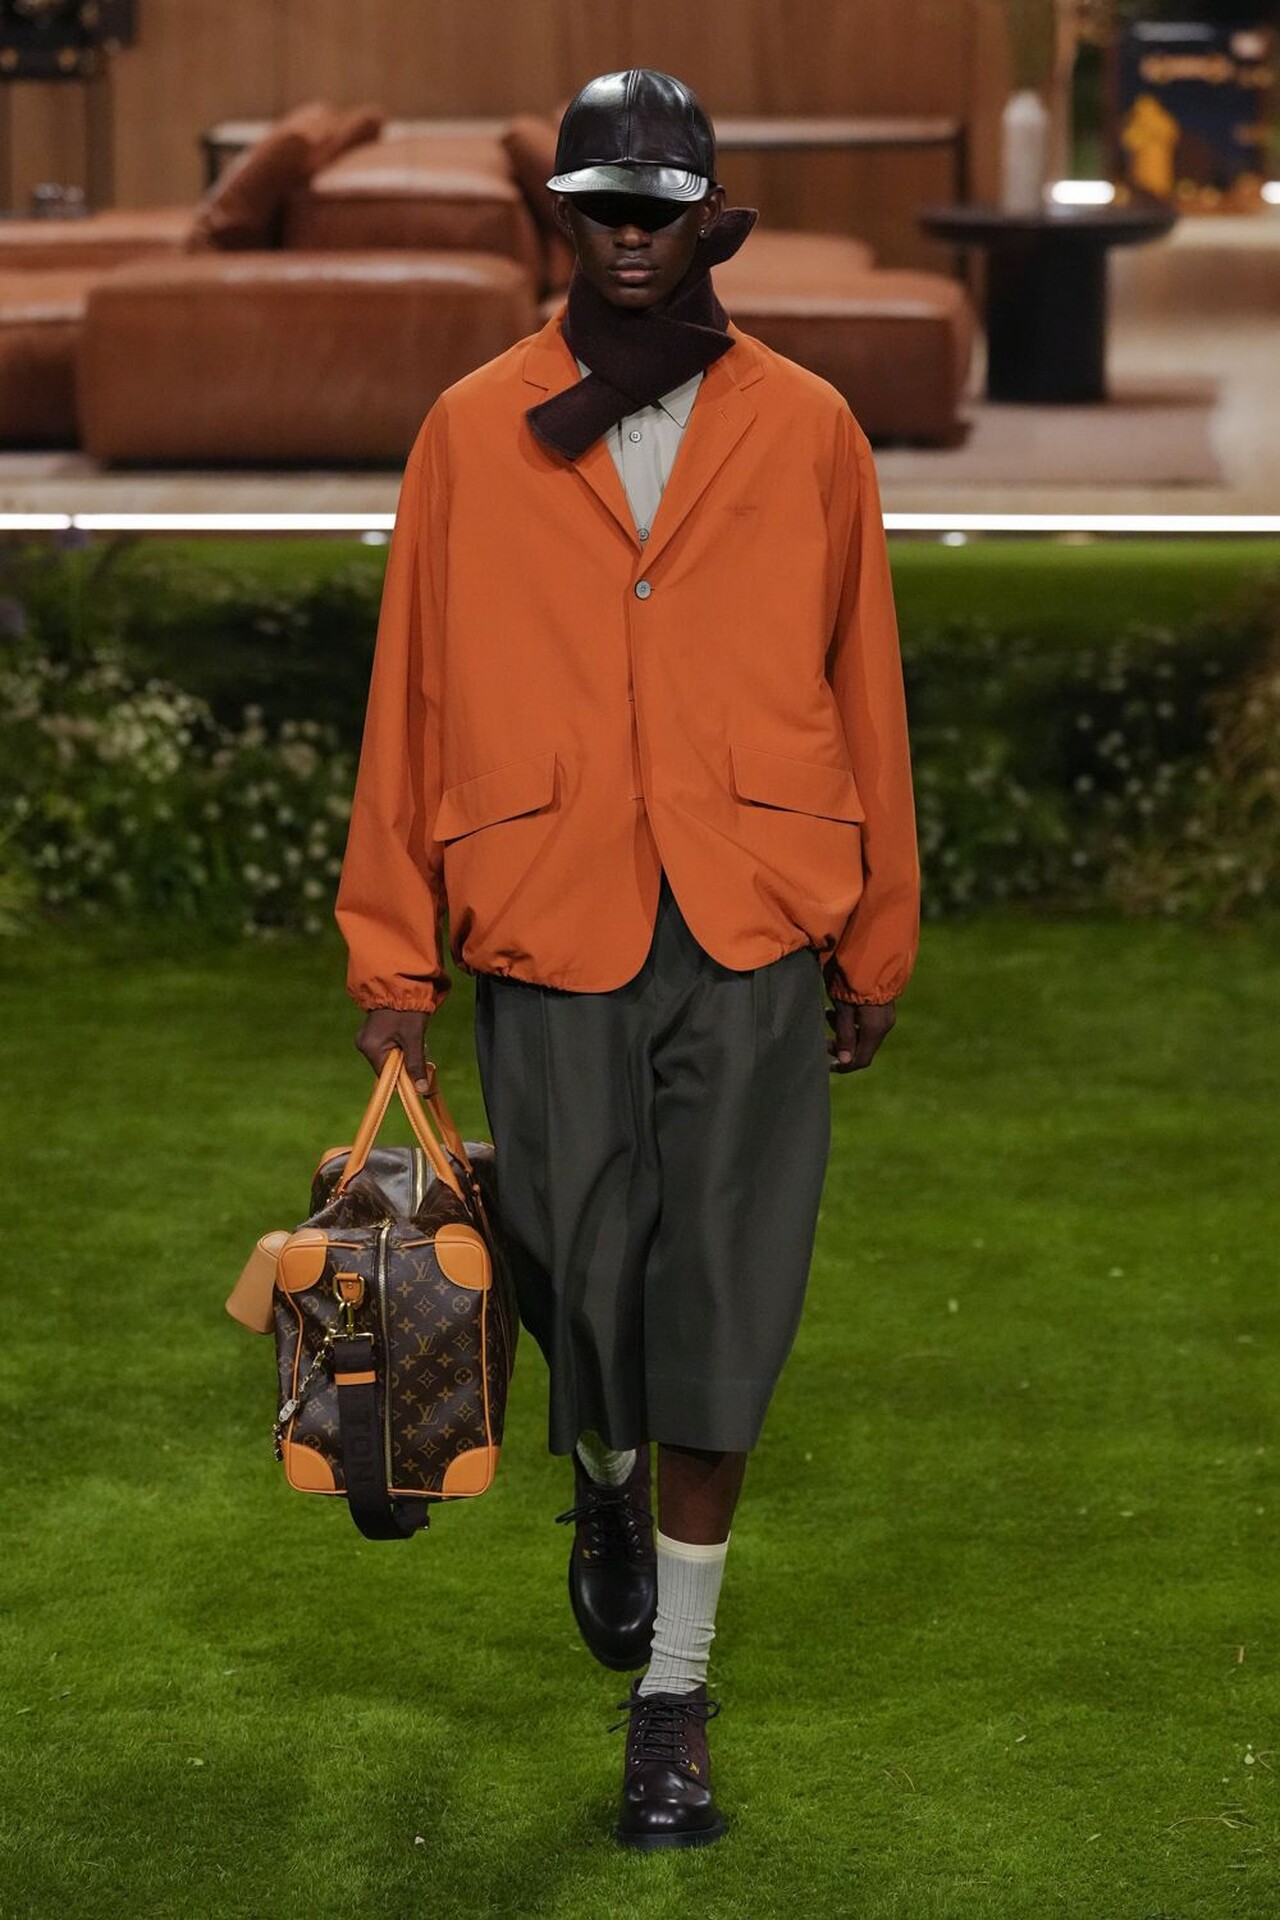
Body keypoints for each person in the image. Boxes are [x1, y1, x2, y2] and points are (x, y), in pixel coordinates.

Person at [336, 66, 918, 1851]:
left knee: (724, 1298)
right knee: (583, 1290)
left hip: (754, 903)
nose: (633, 236)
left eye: (662, 207)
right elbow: (412, 691)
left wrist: (876, 932)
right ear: (566, 220)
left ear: (708, 217)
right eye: (604, 207)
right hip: (550, 899)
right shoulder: (473, 429)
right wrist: (392, 953)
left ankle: (674, 1697)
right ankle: (597, 1474)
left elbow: (864, 682)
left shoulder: (807, 426)